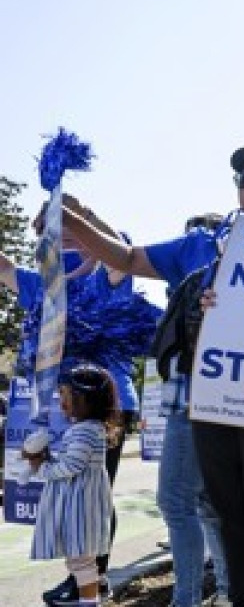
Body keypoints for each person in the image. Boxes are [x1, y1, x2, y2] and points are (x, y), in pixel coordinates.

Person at [61, 147, 244, 606]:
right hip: (203, 393)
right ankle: (230, 596)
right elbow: (129, 256)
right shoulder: (203, 245)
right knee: (220, 508)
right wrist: (74, 225)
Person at [0, 198, 157, 604]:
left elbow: (122, 249)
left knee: (90, 493)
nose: (63, 232)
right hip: (58, 406)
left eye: (72, 230)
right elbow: (3, 269)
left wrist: (80, 213)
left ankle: (92, 581)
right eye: (54, 230)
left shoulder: (107, 275)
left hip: (104, 403)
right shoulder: (42, 283)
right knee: (70, 493)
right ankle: (85, 577)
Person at [26, 364, 120, 607]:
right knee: (81, 558)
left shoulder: (85, 432)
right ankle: (94, 593)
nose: (61, 401)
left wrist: (41, 466)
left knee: (81, 559)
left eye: (66, 394)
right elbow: (73, 462)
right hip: (81, 504)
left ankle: (89, 601)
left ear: (86, 398)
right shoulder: (86, 429)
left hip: (81, 507)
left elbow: (70, 467)